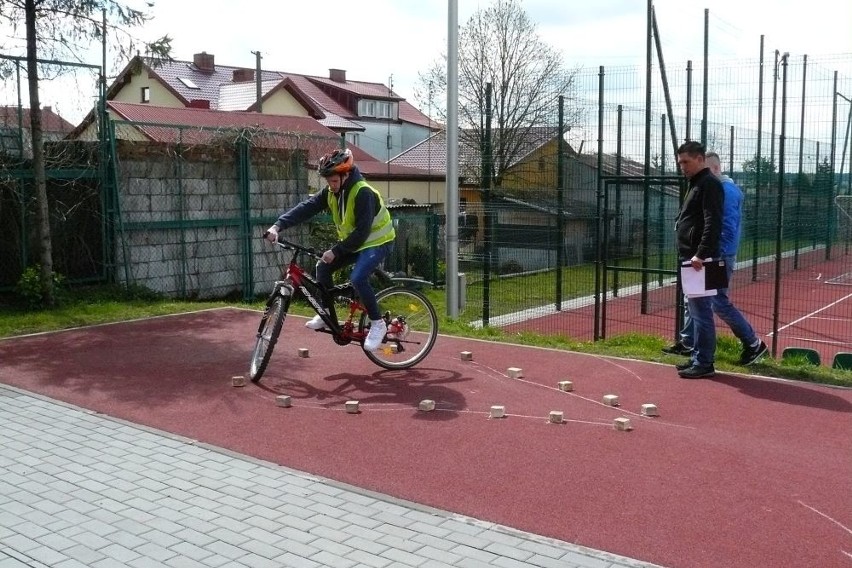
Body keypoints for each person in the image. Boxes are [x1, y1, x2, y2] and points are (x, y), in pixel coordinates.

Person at [264, 148, 395, 351]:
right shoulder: (333, 192)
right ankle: (326, 313)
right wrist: (277, 226)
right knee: (322, 267)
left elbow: (362, 232)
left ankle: (378, 324)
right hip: (357, 243)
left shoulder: (363, 193)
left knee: (358, 277)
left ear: (347, 175)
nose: (331, 186)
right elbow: (307, 207)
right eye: (328, 182)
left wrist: (336, 250)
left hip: (378, 242)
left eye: (334, 181)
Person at [664, 153, 769, 368]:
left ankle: (753, 343)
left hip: (717, 255)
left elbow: (726, 227)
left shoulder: (724, 190)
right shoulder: (710, 187)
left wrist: (712, 256)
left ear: (714, 169)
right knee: (695, 300)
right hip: (707, 254)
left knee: (716, 302)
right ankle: (691, 344)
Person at [672, 141, 724, 378]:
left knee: (701, 313)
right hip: (692, 257)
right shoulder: (695, 184)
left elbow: (712, 222)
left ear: (701, 159)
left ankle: (704, 363)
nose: (682, 166)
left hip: (701, 259)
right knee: (696, 311)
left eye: (687, 162)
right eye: (680, 162)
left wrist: (701, 254)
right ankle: (698, 358)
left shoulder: (709, 184)